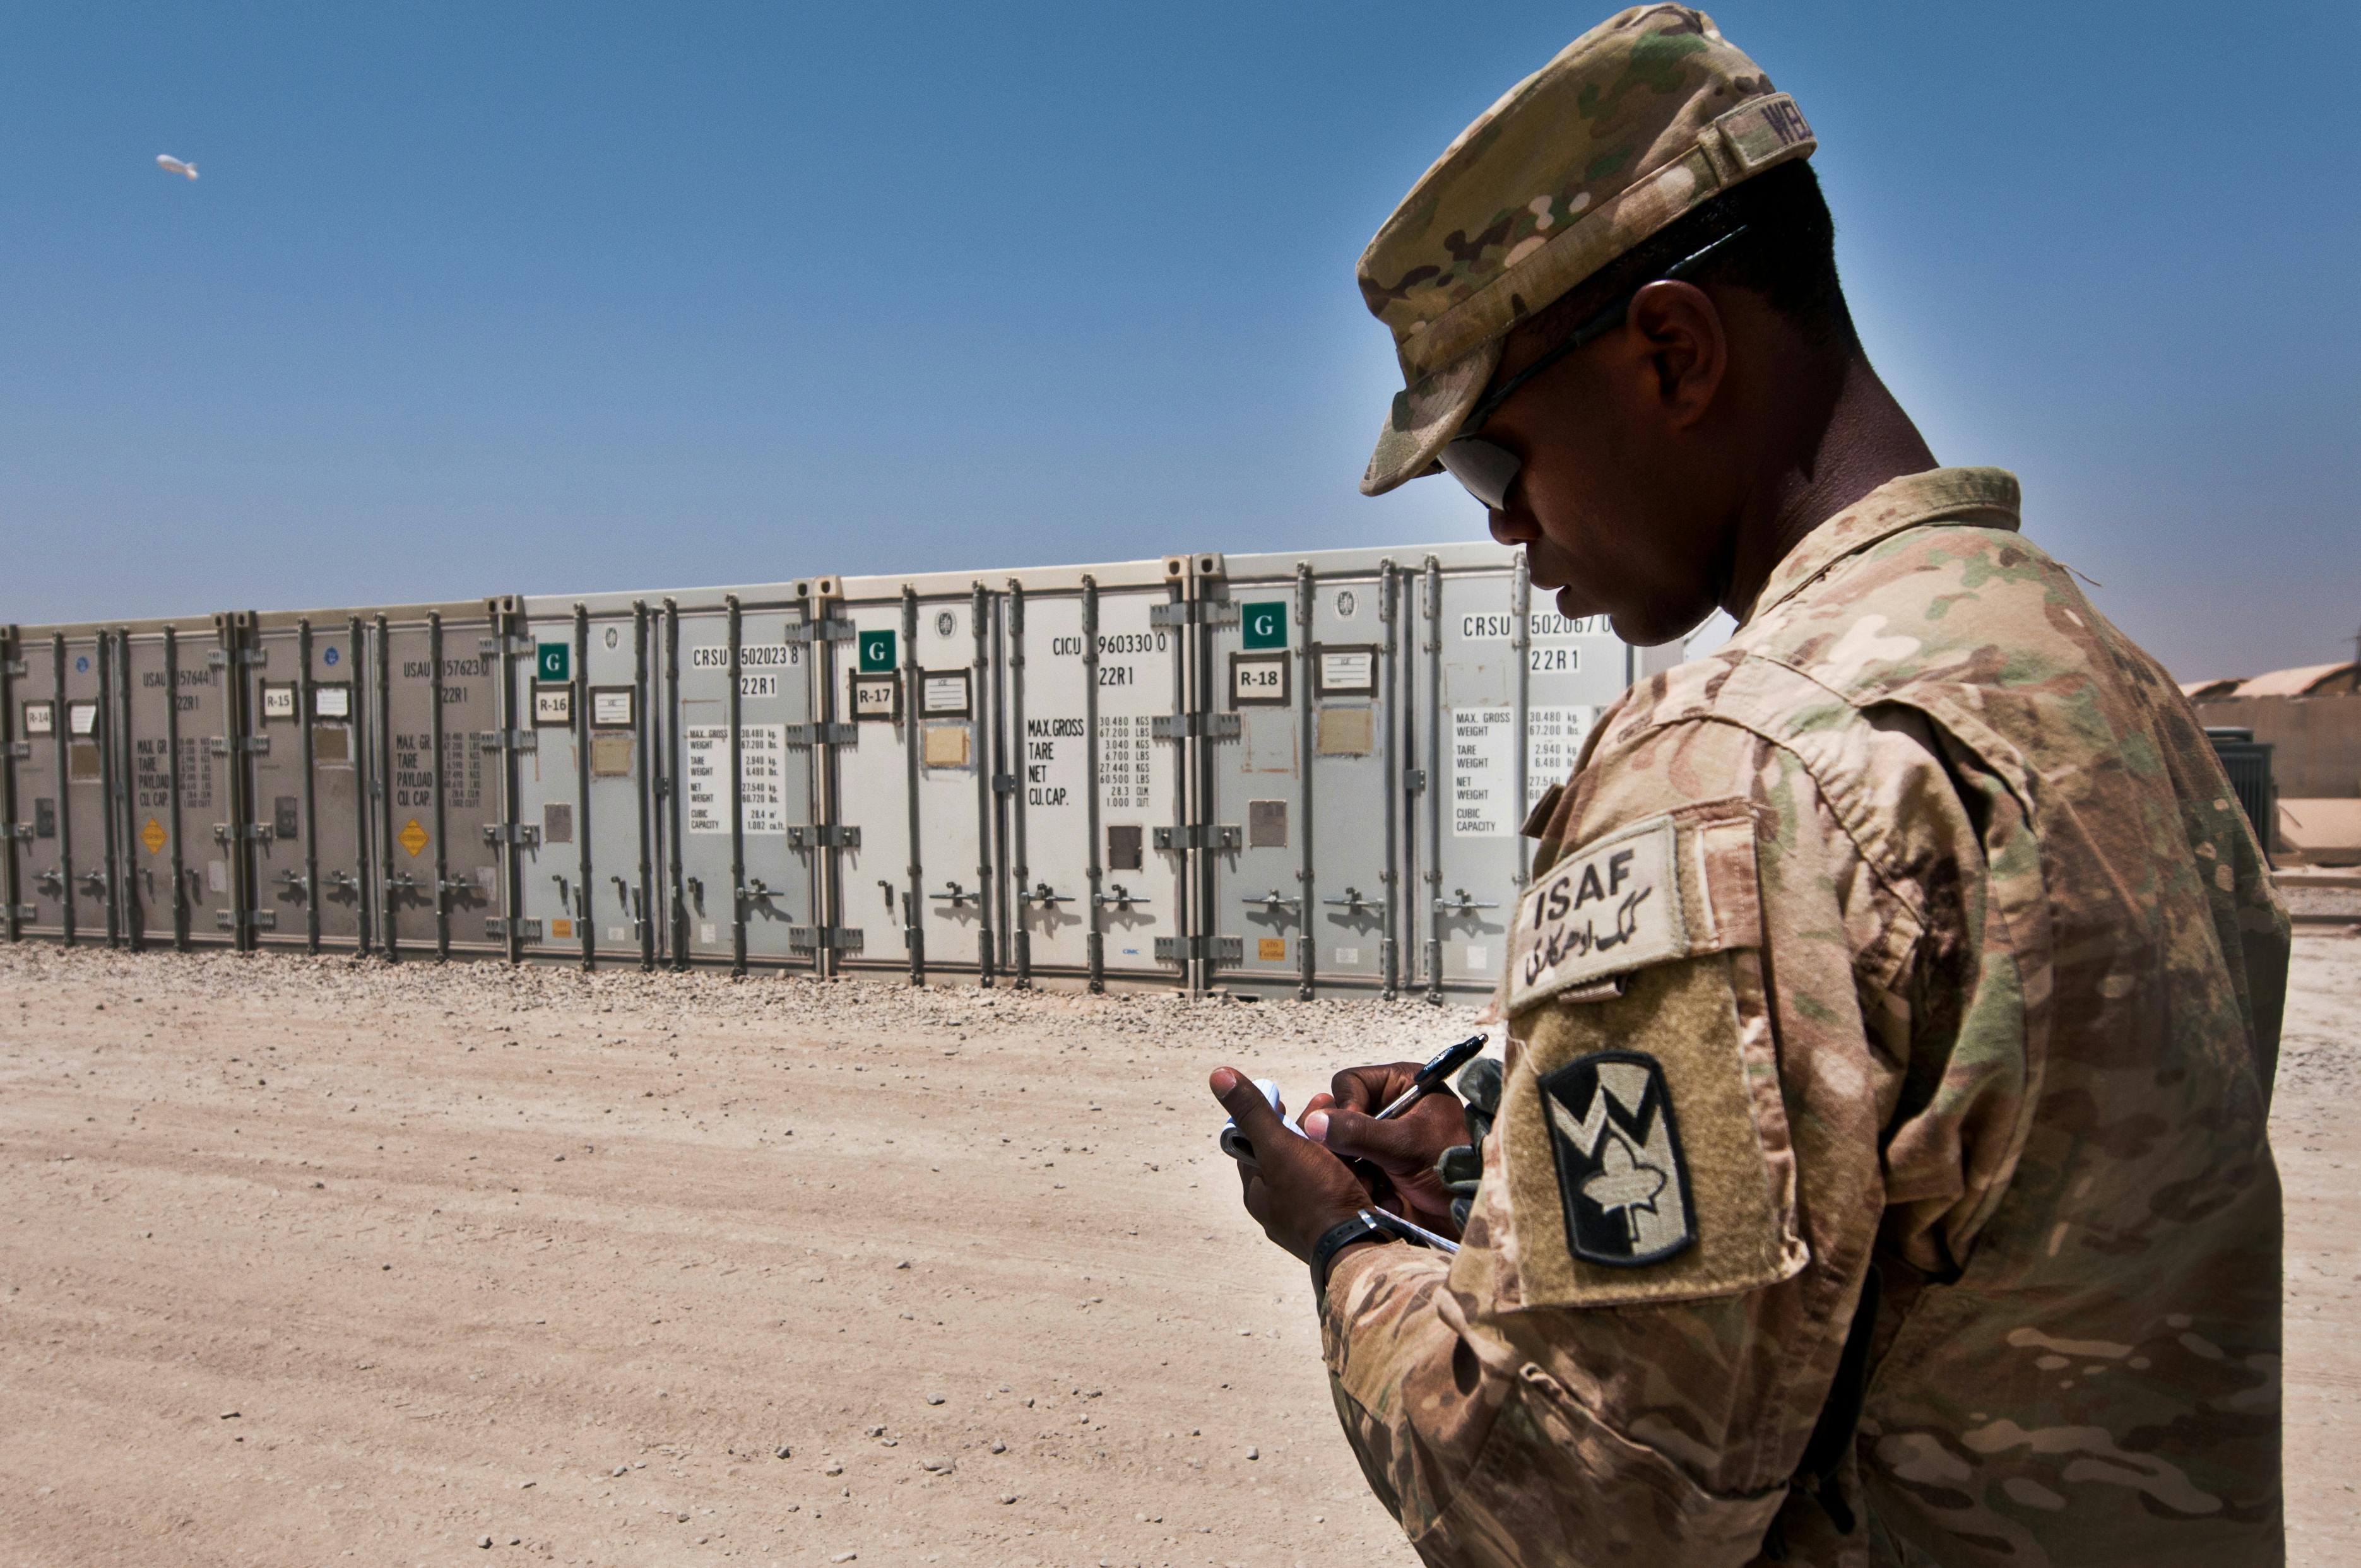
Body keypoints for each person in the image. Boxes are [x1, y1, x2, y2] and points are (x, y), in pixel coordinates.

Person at [1206, 7, 2292, 1564]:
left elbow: (1568, 1503)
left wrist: (1336, 1241)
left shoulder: (1734, 754)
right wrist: (1494, 1155)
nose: (1504, 536)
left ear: (1671, 350)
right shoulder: (2096, 680)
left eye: (1492, 465)